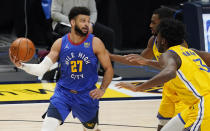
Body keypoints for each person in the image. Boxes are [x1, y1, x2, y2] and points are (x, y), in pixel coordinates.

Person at [10, 7, 113, 131]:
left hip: (86, 96)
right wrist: (22, 65)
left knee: (92, 129)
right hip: (63, 94)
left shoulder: (96, 43)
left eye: (88, 21)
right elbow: (41, 69)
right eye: (83, 21)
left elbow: (108, 69)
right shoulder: (60, 43)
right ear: (72, 22)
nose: (87, 24)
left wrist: (102, 89)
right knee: (47, 128)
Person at [116, 19, 210, 131]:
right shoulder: (190, 52)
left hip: (203, 105)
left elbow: (169, 72)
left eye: (158, 37)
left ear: (163, 41)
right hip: (195, 106)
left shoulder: (168, 54)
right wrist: (147, 62)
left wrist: (138, 88)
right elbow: (171, 65)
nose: (156, 40)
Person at [109, 7, 188, 130]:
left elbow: (169, 68)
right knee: (162, 125)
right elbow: (138, 61)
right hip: (169, 90)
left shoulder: (179, 45)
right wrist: (108, 55)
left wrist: (139, 86)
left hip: (184, 92)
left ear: (163, 24)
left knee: (182, 127)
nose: (150, 25)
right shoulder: (154, 41)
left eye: (153, 22)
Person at [50, 0, 122, 80]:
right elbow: (54, 14)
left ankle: (105, 70)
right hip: (64, 24)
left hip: (85, 23)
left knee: (108, 33)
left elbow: (93, 12)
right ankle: (74, 71)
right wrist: (76, 22)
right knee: (76, 34)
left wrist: (90, 23)